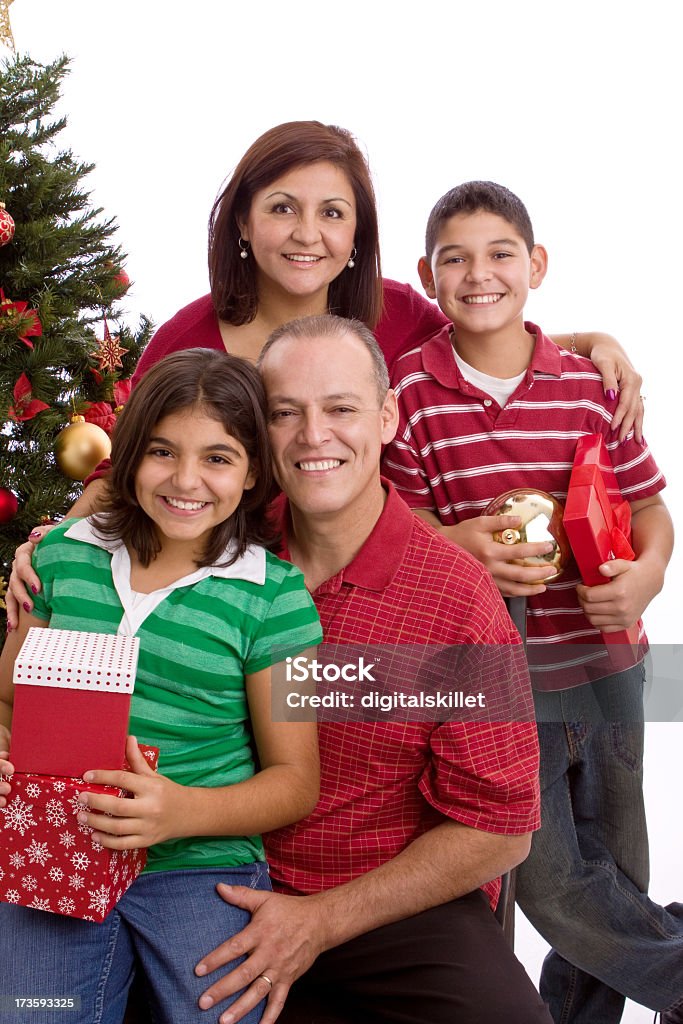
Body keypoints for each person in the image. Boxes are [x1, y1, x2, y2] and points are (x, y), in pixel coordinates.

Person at [5, 120, 644, 629]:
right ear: (243, 223)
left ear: (358, 230)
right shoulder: (187, 341)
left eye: (333, 213)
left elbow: (482, 343)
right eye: (283, 208)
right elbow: (123, 472)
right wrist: (49, 549)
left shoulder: (392, 314)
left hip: (360, 588)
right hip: (224, 593)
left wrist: (589, 341)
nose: (308, 234)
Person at [190, 314, 553, 1024]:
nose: (313, 435)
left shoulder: (456, 599)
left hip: (388, 904)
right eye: (285, 413)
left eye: (341, 409)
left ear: (386, 417)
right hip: (215, 886)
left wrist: (321, 920)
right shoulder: (214, 547)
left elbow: (502, 827)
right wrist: (44, 553)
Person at [381, 180, 681, 1023]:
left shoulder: (586, 384)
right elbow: (394, 525)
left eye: (500, 253)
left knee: (619, 872)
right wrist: (461, 545)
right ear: (427, 275)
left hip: (610, 664)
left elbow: (648, 508)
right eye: (455, 258)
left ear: (536, 265)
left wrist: (648, 573)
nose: (479, 274)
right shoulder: (409, 395)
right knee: (547, 879)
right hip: (501, 678)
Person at [0, 349, 322, 1024]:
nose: (185, 480)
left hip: (199, 859)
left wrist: (178, 813)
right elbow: (8, 702)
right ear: (129, 457)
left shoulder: (275, 598)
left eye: (217, 457)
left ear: (254, 470)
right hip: (57, 849)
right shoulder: (61, 559)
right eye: (161, 452)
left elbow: (296, 780)